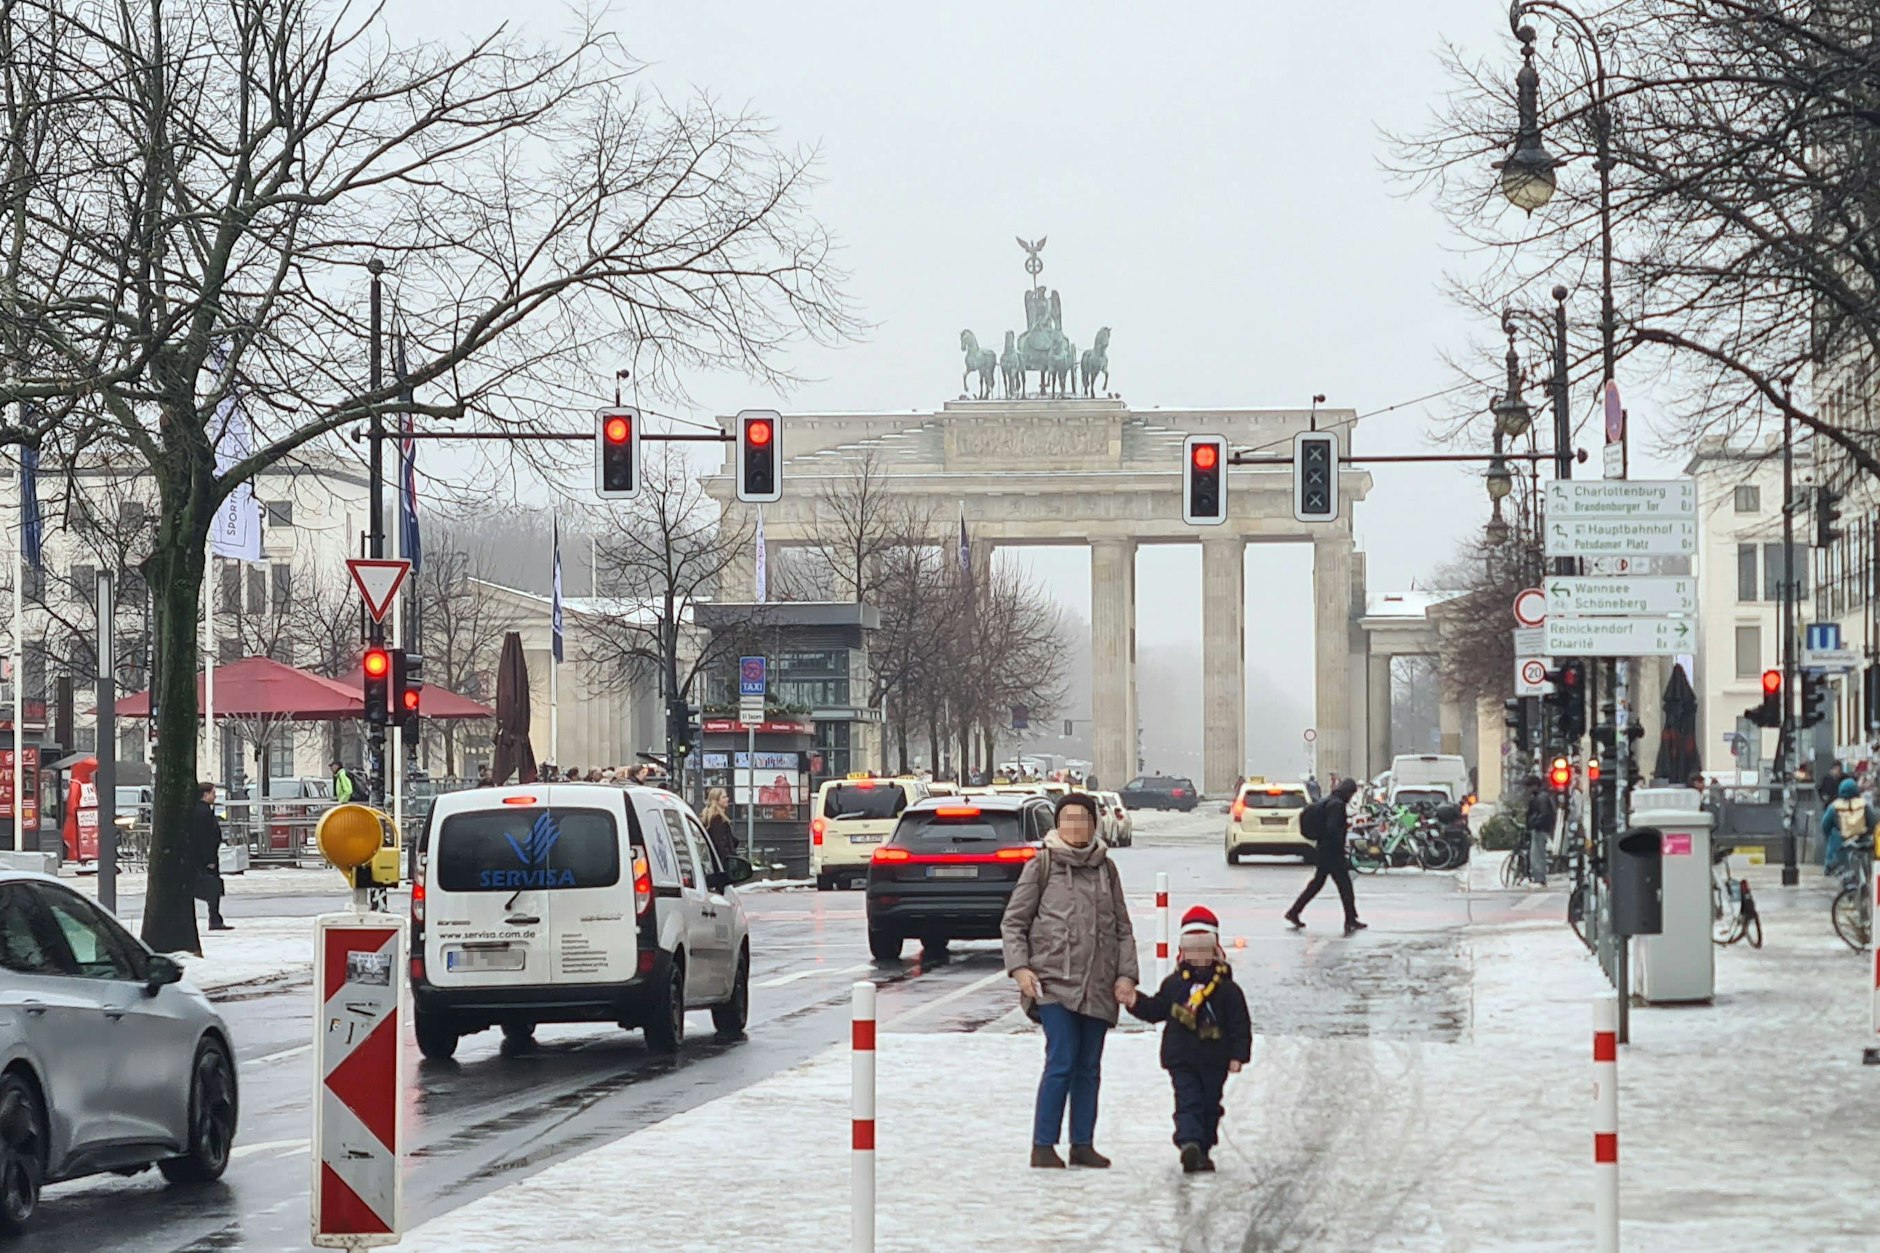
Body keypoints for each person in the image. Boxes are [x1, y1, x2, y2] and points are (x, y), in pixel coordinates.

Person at [1001, 792, 1139, 1169]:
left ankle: (1083, 1143)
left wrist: (1126, 975)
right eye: (1068, 820)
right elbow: (1014, 923)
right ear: (1057, 825)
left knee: (1089, 1067)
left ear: (1094, 824)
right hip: (1052, 984)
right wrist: (1021, 969)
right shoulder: (1041, 866)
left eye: (1083, 820)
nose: (1076, 827)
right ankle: (1043, 1145)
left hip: (1097, 982)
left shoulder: (1106, 870)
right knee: (1061, 1060)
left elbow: (1123, 928)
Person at [1126, 905, 1252, 1173]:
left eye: (1204, 951)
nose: (1198, 957)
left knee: (1209, 1104)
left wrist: (1238, 1055)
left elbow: (1239, 1024)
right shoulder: (1174, 985)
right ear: (1183, 953)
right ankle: (1189, 1143)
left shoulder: (1227, 989)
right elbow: (1158, 1010)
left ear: (1215, 952)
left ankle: (1202, 1148)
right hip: (1181, 1057)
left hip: (1214, 1058)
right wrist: (1135, 1002)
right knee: (1187, 1101)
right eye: (1192, 951)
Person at [1285, 777, 1364, 935]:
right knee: (1344, 885)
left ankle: (1294, 912)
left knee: (1317, 884)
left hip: (1323, 850)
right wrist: (1341, 847)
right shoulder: (1337, 805)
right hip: (1332, 852)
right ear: (1348, 792)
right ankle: (1350, 919)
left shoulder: (1328, 800)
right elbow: (1333, 829)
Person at [191, 781, 232, 933]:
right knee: (211, 887)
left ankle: (215, 918)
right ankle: (214, 919)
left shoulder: (201, 810)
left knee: (210, 887)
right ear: (205, 794)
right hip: (206, 858)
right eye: (213, 793)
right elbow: (205, 838)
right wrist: (209, 860)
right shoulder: (203, 812)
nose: (215, 796)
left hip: (204, 856)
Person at [1821, 777, 1877, 876]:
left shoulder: (1834, 807)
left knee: (1837, 877)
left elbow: (1825, 825)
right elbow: (1874, 824)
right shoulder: (1864, 805)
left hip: (1839, 848)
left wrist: (1831, 837)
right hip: (1860, 846)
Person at [1525, 775, 1556, 886]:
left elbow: (1544, 814)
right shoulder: (1541, 796)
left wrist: (1534, 823)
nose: (1528, 790)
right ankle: (1539, 878)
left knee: (1537, 855)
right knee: (1537, 854)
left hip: (1539, 829)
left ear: (1534, 786)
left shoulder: (1541, 797)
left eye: (1529, 787)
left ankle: (1539, 878)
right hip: (1541, 828)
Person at [701, 788, 737, 864]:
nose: (727, 799)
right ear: (716, 800)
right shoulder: (717, 819)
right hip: (721, 863)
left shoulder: (710, 818)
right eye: (724, 797)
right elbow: (720, 844)